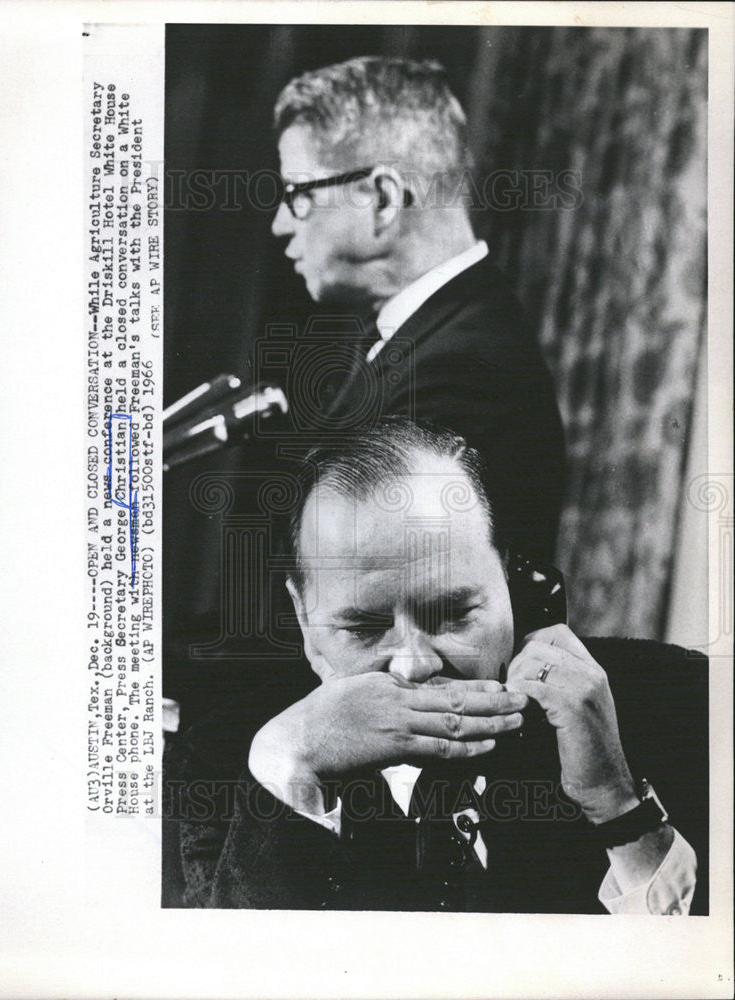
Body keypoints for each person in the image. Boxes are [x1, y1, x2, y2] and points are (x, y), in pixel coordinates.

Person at [176, 419, 706, 913]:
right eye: (363, 628)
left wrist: (617, 805)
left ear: (515, 586)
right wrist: (290, 779)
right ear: (305, 619)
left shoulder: (679, 705)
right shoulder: (221, 760)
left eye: (452, 614)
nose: (414, 666)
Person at [270, 55, 565, 559]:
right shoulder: (430, 332)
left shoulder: (465, 374)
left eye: (297, 194)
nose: (281, 223)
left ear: (382, 199)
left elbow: (358, 606)